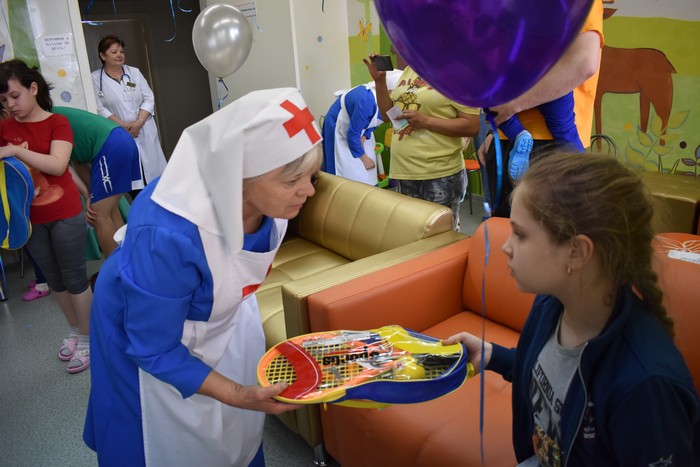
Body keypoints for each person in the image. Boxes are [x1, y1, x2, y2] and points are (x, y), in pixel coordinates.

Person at [84, 88, 322, 466]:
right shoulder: (168, 233)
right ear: (240, 176)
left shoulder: (269, 200)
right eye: (292, 181)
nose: (307, 191)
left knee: (234, 436)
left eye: (312, 176)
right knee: (166, 434)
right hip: (145, 321)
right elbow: (154, 347)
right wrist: (237, 394)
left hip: (217, 314)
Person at [445, 153, 700, 466]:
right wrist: (492, 355)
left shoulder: (646, 386)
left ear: (576, 252)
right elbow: (552, 372)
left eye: (520, 234)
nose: (505, 246)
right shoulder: (552, 303)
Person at [0, 59, 92, 373]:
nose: (10, 105)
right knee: (54, 281)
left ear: (33, 88)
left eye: (15, 96)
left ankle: (89, 339)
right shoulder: (4, 129)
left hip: (65, 212)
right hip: (30, 219)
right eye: (3, 100)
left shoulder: (58, 122)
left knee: (75, 278)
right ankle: (75, 331)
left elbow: (57, 164)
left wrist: (15, 150)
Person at [484, 0, 604, 217]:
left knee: (543, 229)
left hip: (545, 145)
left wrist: (509, 107)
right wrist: (494, 130)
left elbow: (585, 63)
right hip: (521, 136)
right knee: (508, 226)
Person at [364, 56, 480, 231]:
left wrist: (426, 121)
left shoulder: (459, 73)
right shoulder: (411, 69)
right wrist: (380, 81)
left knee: (440, 238)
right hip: (404, 171)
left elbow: (472, 126)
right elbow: (389, 116)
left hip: (439, 173)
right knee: (411, 235)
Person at [53, 106, 144, 256]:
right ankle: (128, 260)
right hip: (120, 140)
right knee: (110, 210)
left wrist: (89, 197)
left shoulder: (45, 119)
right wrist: (89, 195)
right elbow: (80, 163)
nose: (12, 105)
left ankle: (115, 268)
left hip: (112, 145)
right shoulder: (55, 115)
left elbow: (61, 166)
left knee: (99, 215)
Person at [91, 35, 167, 185]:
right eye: (114, 52)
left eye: (121, 51)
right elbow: (99, 107)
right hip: (119, 131)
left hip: (144, 128)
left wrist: (139, 122)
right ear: (103, 56)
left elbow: (149, 98)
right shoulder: (94, 78)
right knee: (133, 178)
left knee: (154, 176)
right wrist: (123, 126)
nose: (119, 55)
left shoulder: (134, 73)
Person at [322, 69, 403, 186]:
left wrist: (365, 136)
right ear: (390, 91)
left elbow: (375, 122)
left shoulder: (393, 103)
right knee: (349, 169)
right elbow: (352, 134)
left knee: (368, 171)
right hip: (339, 125)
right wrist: (364, 158)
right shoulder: (367, 101)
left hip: (358, 127)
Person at [499, 91, 583, 180]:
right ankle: (581, 173)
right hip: (552, 87)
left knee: (494, 106)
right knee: (565, 129)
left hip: (514, 89)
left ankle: (518, 133)